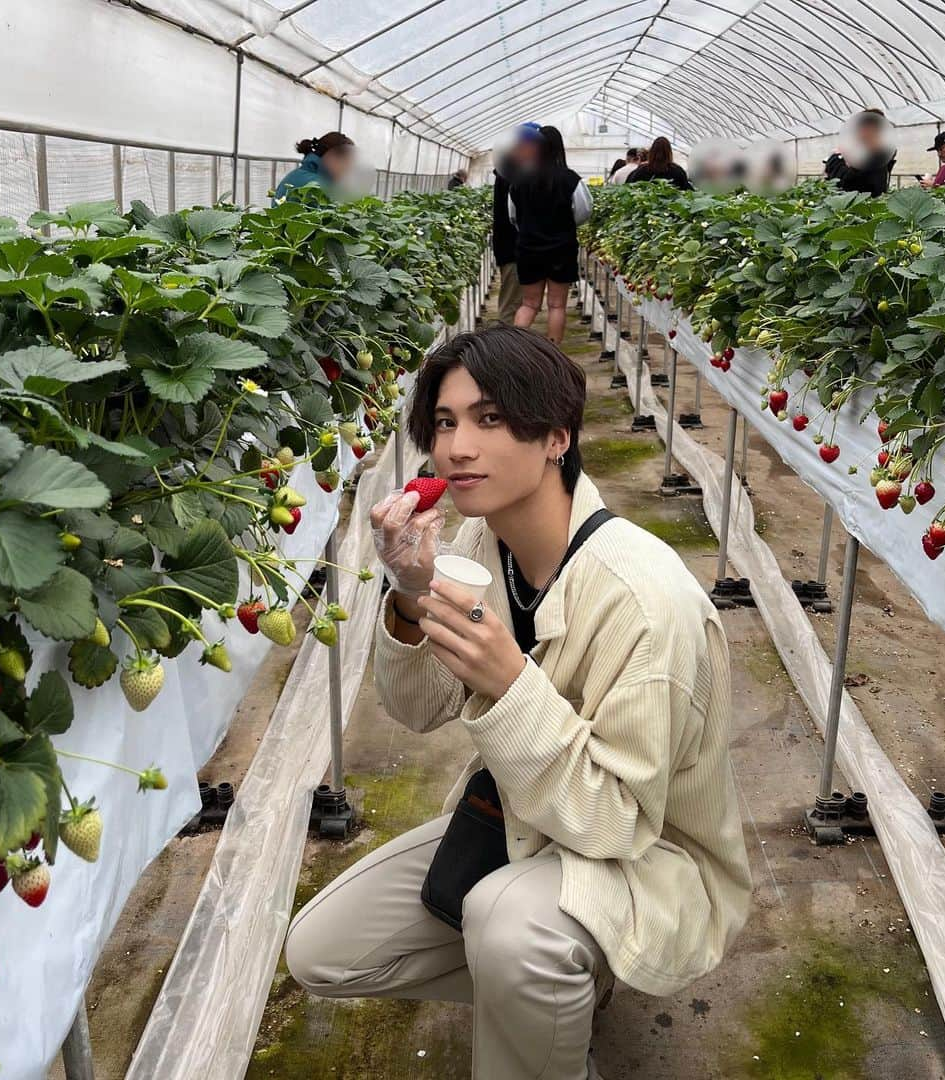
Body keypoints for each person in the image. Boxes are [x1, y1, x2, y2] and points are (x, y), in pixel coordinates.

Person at [284, 325, 752, 1080]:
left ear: (557, 438)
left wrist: (511, 684)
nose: (458, 448)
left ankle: (550, 1001)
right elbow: (417, 709)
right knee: (322, 952)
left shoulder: (644, 602)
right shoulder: (476, 552)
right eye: (445, 422)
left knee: (509, 930)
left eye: (491, 420)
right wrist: (408, 594)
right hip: (530, 824)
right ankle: (554, 997)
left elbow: (619, 821)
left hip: (650, 854)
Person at [506, 126, 593, 344]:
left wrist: (529, 229)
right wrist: (564, 226)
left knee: (529, 304)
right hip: (561, 249)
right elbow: (584, 211)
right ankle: (553, 355)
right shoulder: (570, 179)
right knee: (557, 305)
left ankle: (514, 352)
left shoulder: (519, 180)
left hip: (528, 249)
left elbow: (513, 216)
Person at [492, 123, 541, 325]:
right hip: (513, 248)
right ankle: (503, 350)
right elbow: (518, 214)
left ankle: (508, 347)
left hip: (511, 246)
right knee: (511, 304)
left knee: (516, 301)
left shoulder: (509, 169)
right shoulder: (512, 173)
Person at [823, 109, 895, 197]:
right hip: (845, 203)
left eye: (873, 130)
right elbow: (842, 181)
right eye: (864, 128)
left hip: (870, 204)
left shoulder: (881, 156)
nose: (867, 134)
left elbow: (874, 185)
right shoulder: (841, 154)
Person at [274, 131, 354, 203]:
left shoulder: (299, 174)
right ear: (332, 157)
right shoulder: (318, 187)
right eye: (346, 165)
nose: (345, 172)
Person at [624, 137, 692, 191]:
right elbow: (687, 190)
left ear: (652, 152)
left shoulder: (641, 170)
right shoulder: (677, 171)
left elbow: (628, 187)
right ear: (669, 153)